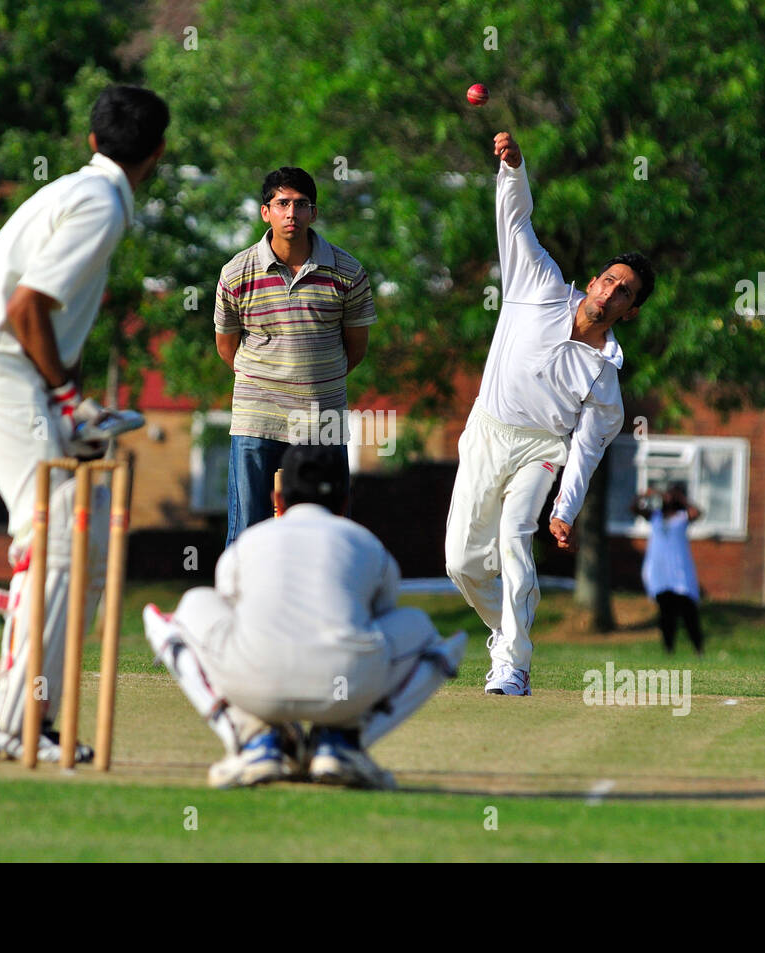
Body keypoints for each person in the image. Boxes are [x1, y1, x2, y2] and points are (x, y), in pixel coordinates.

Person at [0, 85, 169, 763]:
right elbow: (26, 309)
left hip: (11, 375)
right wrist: (67, 396)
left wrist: (64, 401)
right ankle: (9, 721)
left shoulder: (82, 191)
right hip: (0, 371)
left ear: (93, 140)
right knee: (57, 530)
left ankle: (36, 713)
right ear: (157, 153)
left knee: (84, 532)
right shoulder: (99, 202)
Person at [445, 131, 655, 696]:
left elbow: (585, 451)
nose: (611, 293)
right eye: (608, 280)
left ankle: (512, 663)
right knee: (461, 562)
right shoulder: (535, 283)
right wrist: (513, 169)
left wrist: (566, 510)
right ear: (592, 281)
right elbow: (516, 222)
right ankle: (508, 632)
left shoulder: (605, 377)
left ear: (629, 312)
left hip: (541, 450)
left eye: (624, 293)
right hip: (487, 431)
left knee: (515, 537)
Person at [143, 443, 466, 789]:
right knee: (426, 630)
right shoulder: (367, 543)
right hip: (345, 689)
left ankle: (252, 739)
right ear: (343, 504)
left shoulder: (248, 541)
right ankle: (342, 743)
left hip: (253, 684)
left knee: (187, 607)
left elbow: (229, 606)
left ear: (277, 501)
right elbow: (382, 613)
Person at [214, 167, 375, 547]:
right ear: (264, 211)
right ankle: (242, 606)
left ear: (313, 213)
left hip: (323, 418)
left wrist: (314, 382)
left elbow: (357, 347)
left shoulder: (347, 272)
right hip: (257, 418)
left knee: (331, 535)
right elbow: (227, 347)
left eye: (301, 205)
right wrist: (267, 382)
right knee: (246, 535)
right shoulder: (236, 273)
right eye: (282, 203)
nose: (292, 214)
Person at [632, 483, 704, 655]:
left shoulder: (682, 517)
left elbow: (698, 513)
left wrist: (681, 499)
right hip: (660, 571)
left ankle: (698, 648)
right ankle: (668, 649)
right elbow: (634, 508)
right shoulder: (655, 516)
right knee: (666, 613)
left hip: (680, 571)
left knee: (688, 611)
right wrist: (646, 494)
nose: (668, 498)